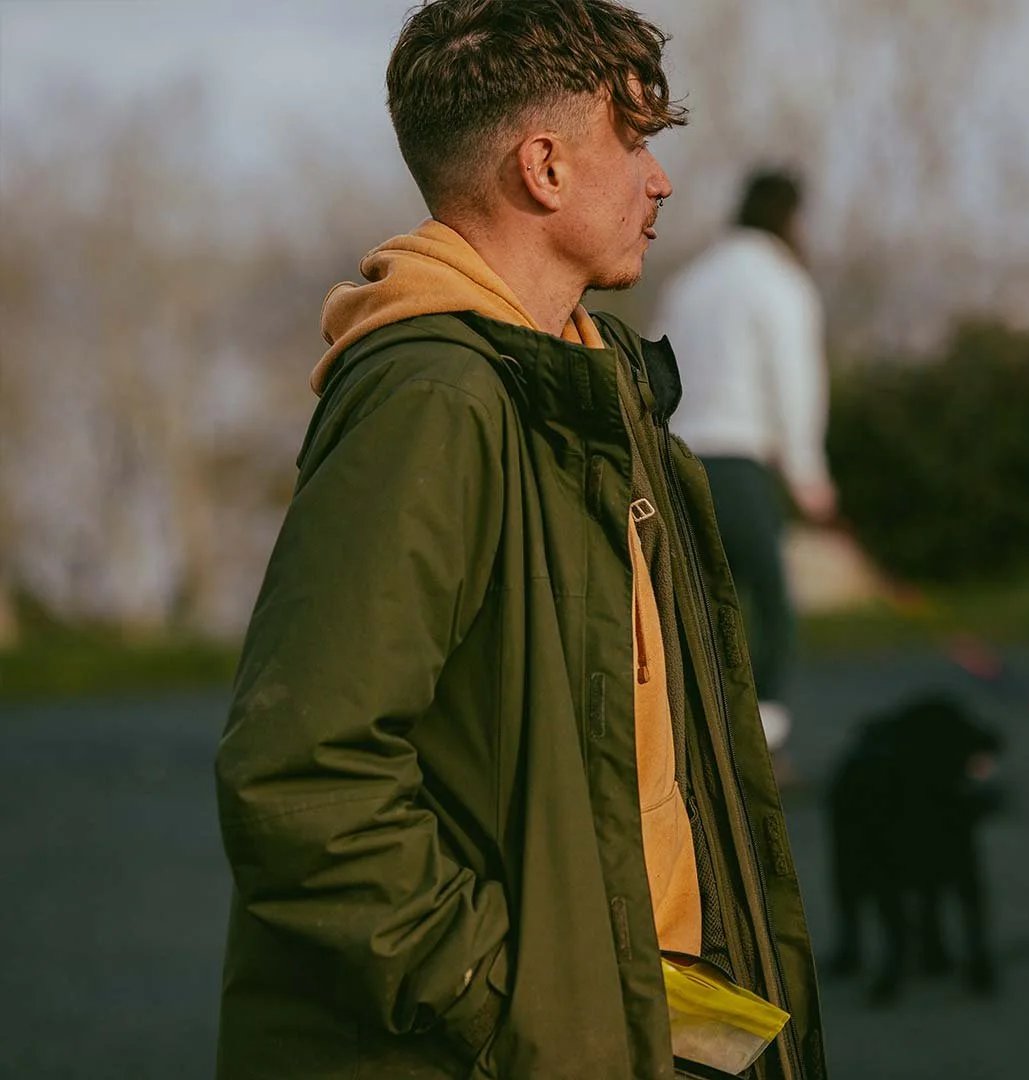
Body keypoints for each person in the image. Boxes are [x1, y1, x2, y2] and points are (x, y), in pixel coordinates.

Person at [212, 3, 825, 1078]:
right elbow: (305, 779)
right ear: (544, 167)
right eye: (633, 143)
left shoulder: (594, 388)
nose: (661, 181)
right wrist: (512, 1005)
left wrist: (702, 1024)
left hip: (665, 1016)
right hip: (535, 1039)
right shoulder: (432, 402)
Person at [654, 171, 836, 760]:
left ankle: (699, 745)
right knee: (772, 604)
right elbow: (794, 380)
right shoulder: (780, 282)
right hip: (740, 461)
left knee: (700, 607)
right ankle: (762, 747)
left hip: (678, 457)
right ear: (789, 217)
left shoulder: (691, 281)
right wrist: (808, 474)